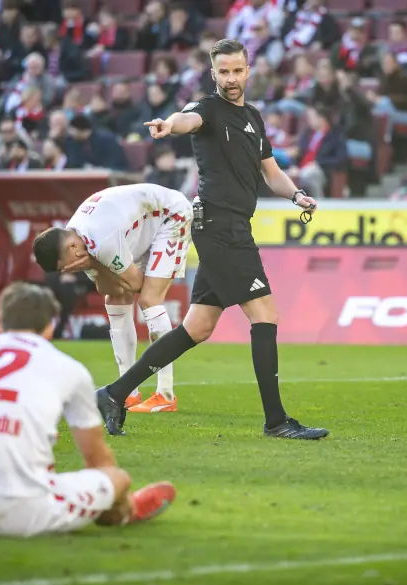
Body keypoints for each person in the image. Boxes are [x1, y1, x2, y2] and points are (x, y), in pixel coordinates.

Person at [94, 39, 328, 440]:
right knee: (265, 315)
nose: (231, 79)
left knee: (197, 327)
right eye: (223, 72)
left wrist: (295, 194)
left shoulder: (253, 117)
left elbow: (269, 171)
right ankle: (276, 421)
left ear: (248, 70)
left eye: (237, 70)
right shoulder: (206, 109)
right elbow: (186, 119)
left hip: (233, 225)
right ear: (213, 73)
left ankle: (114, 393)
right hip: (219, 226)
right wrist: (169, 125)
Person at [0, 282, 176, 537]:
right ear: (50, 327)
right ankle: (126, 511)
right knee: (116, 478)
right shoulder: (68, 368)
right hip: (18, 511)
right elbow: (96, 459)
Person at [32, 183, 193, 414]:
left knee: (149, 299)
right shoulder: (77, 239)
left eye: (66, 266)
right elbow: (106, 287)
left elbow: (138, 284)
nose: (70, 270)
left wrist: (96, 262)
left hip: (170, 215)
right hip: (141, 225)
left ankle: (165, 395)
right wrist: (96, 264)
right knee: (115, 299)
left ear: (71, 247)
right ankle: (128, 393)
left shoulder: (100, 240)